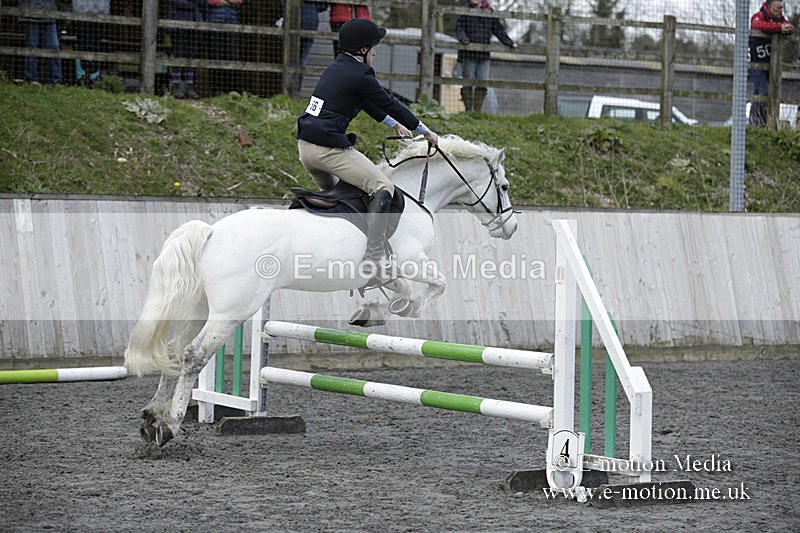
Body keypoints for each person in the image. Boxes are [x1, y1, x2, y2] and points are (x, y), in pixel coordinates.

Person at [296, 18, 439, 276]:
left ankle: (339, 248)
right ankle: (374, 258)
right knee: (383, 186)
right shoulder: (361, 73)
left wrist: (393, 125)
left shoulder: (339, 67)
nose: (376, 50)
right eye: (374, 46)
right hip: (327, 150)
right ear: (363, 50)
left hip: (305, 148)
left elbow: (366, 102)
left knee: (343, 198)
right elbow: (389, 102)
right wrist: (425, 131)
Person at [455, 0, 517, 112]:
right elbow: (459, 28)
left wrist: (509, 42)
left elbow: (498, 30)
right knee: (468, 81)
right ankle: (468, 110)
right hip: (468, 53)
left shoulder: (489, 11)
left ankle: (477, 111)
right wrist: (464, 39)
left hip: (483, 55)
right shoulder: (465, 9)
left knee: (482, 82)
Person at [749, 0, 795, 126]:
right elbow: (757, 25)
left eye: (781, 8)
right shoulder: (758, 16)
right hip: (754, 64)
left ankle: (763, 123)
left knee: (768, 92)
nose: (780, 11)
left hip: (770, 65)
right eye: (777, 8)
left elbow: (791, 27)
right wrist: (778, 28)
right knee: (763, 90)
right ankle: (756, 122)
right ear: (769, 7)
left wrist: (786, 29)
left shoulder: (779, 19)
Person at [280, 0, 329, 93]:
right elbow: (323, 5)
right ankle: (292, 91)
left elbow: (324, 5)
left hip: (302, 25)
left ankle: (293, 91)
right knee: (296, 62)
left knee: (296, 62)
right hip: (305, 24)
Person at [20, 0, 63, 85]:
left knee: (54, 47)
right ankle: (31, 79)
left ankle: (56, 80)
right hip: (30, 15)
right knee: (32, 48)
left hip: (49, 15)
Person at [166, 0, 204, 98]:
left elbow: (203, 2)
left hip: (194, 24)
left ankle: (189, 86)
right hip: (177, 24)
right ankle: (176, 86)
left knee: (190, 55)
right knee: (178, 55)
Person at [206, 0, 243, 95]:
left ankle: (231, 89)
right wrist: (230, 2)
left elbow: (239, 1)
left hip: (232, 20)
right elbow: (212, 1)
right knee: (216, 54)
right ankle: (216, 89)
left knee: (232, 55)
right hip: (215, 20)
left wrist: (225, 1)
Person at [72, 0, 110, 87]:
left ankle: (94, 77)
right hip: (81, 14)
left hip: (99, 15)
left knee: (95, 46)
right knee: (82, 46)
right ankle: (80, 77)